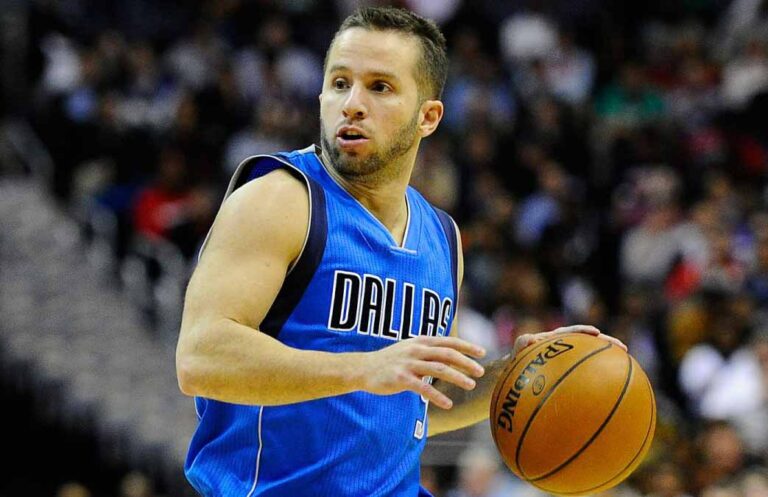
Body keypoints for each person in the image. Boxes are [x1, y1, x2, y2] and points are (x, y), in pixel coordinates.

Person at [175, 6, 623, 497]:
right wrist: (365, 368)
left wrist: (511, 377)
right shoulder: (281, 199)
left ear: (428, 117)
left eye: (380, 87)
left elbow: (415, 402)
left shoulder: (442, 237)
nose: (352, 104)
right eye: (340, 83)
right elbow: (201, 359)